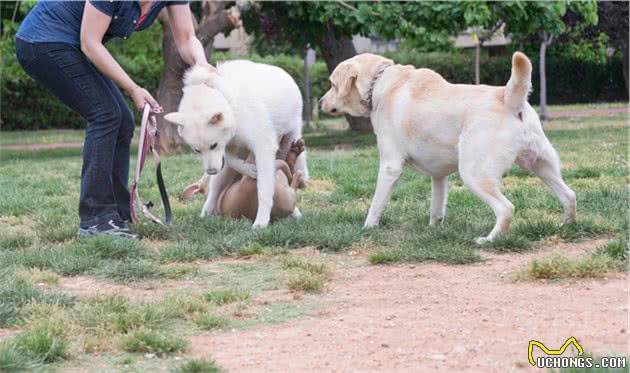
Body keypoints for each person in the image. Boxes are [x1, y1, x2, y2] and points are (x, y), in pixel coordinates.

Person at [15, 0, 212, 239]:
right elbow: (90, 43)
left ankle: (117, 215)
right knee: (105, 114)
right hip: (43, 40)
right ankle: (95, 220)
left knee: (123, 120)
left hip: (74, 44)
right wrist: (133, 88)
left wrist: (201, 65)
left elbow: (186, 38)